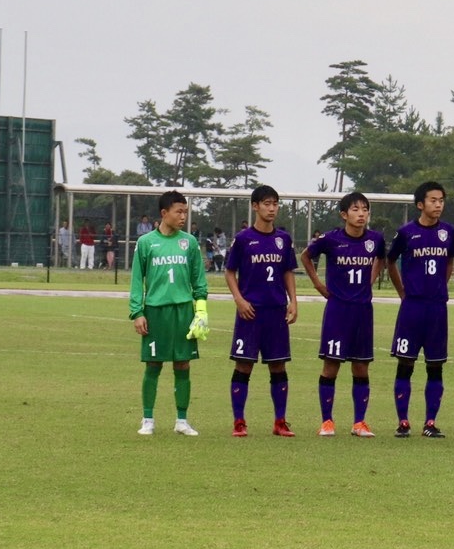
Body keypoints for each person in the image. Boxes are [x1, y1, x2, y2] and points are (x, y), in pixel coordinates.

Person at [299, 191, 384, 437]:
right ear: (344, 214)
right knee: (331, 367)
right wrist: (317, 284)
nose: (361, 214)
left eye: (365, 209)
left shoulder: (375, 239)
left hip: (363, 311)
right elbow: (305, 256)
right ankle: (327, 421)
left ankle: (359, 422)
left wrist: (371, 279)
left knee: (361, 367)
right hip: (338, 310)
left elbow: (381, 258)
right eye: (356, 210)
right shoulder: (331, 239)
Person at [129, 190, 209, 436]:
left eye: (185, 211)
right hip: (155, 312)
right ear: (164, 213)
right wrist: (137, 312)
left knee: (183, 364)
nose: (183, 216)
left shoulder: (189, 242)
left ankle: (182, 421)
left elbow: (199, 280)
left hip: (183, 311)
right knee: (153, 364)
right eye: (179, 211)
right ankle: (148, 419)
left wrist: (201, 311)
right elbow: (136, 281)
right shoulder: (145, 243)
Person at [224, 185, 298, 438]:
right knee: (244, 365)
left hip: (276, 311)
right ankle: (239, 421)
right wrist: (239, 299)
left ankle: (280, 421)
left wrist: (293, 301)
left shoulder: (283, 239)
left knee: (278, 366)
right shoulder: (243, 239)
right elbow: (229, 271)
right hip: (250, 312)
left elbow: (287, 271)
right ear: (255, 206)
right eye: (266, 203)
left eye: (275, 204)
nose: (271, 208)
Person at [386, 181, 454, 438]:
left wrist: (441, 286)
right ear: (420, 204)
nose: (438, 204)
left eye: (441, 200)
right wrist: (402, 291)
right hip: (412, 307)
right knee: (405, 363)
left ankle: (430, 422)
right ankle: (403, 421)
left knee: (435, 365)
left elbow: (450, 260)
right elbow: (390, 260)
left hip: (437, 308)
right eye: (432, 200)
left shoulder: (449, 232)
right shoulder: (406, 233)